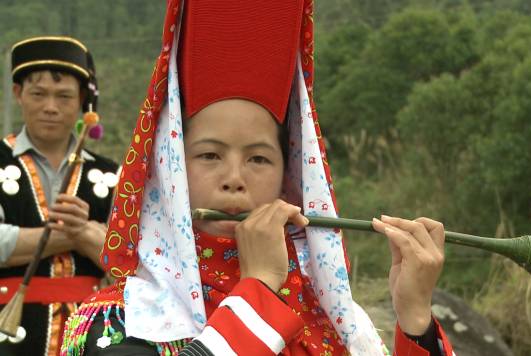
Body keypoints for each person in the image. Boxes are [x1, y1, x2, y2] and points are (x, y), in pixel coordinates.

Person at [61, 1, 455, 355]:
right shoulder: (120, 323)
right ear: (169, 171)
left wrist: (415, 318)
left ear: (290, 177)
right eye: (210, 155)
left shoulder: (334, 319)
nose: (234, 179)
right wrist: (259, 290)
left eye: (259, 159)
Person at [0, 36, 119, 355]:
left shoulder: (111, 175)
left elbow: (132, 260)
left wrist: (85, 233)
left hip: (93, 335)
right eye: (38, 94)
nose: (50, 107)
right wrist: (80, 234)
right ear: (18, 94)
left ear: (82, 100)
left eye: (64, 96)